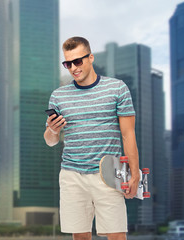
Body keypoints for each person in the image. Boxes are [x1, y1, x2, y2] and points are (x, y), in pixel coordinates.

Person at [44, 36, 140, 240]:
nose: (73, 68)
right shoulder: (58, 96)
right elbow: (50, 141)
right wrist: (53, 131)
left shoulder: (117, 88)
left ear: (91, 58)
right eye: (68, 63)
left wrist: (134, 174)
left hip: (109, 172)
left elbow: (128, 134)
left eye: (78, 61)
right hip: (72, 175)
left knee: (116, 235)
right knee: (80, 236)